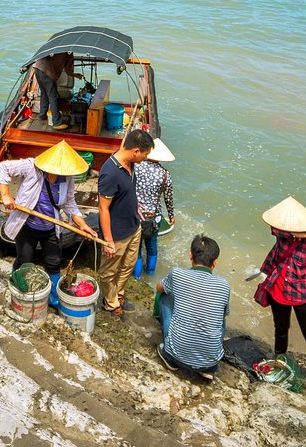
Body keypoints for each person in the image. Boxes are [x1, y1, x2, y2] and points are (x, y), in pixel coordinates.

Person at [0, 141, 100, 308]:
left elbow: (70, 203)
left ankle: (53, 297)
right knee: (24, 259)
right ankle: (18, 287)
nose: (59, 174)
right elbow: (2, 168)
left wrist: (82, 224)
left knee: (54, 261)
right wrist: (6, 195)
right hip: (27, 225)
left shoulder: (67, 178)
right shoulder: (31, 167)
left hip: (50, 228)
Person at [256, 196, 306, 362]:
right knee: (280, 329)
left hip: (304, 294)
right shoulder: (282, 232)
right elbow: (274, 228)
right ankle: (280, 361)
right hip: (279, 289)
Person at [156, 234, 231, 380]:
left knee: (164, 296)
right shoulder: (224, 285)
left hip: (176, 355)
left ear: (190, 255)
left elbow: (159, 287)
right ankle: (208, 368)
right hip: (210, 362)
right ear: (214, 263)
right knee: (221, 317)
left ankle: (168, 355)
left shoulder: (177, 274)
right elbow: (222, 317)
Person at [97, 129, 154, 317]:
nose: (145, 158)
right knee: (108, 272)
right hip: (117, 233)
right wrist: (108, 240)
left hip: (134, 226)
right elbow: (103, 208)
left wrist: (134, 204)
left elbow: (126, 191)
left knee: (128, 265)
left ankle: (118, 293)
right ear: (136, 151)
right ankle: (110, 303)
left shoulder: (130, 163)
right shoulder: (110, 173)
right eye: (145, 154)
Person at [134, 137, 177, 277]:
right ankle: (151, 273)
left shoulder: (136, 167)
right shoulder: (165, 175)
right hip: (154, 217)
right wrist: (171, 216)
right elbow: (168, 198)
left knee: (136, 249)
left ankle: (137, 276)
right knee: (152, 247)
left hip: (136, 214)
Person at [29, 53, 66, 128]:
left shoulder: (55, 46)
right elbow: (69, 68)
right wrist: (75, 75)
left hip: (37, 68)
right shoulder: (68, 53)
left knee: (44, 93)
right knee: (53, 96)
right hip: (46, 71)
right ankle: (56, 122)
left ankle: (42, 115)